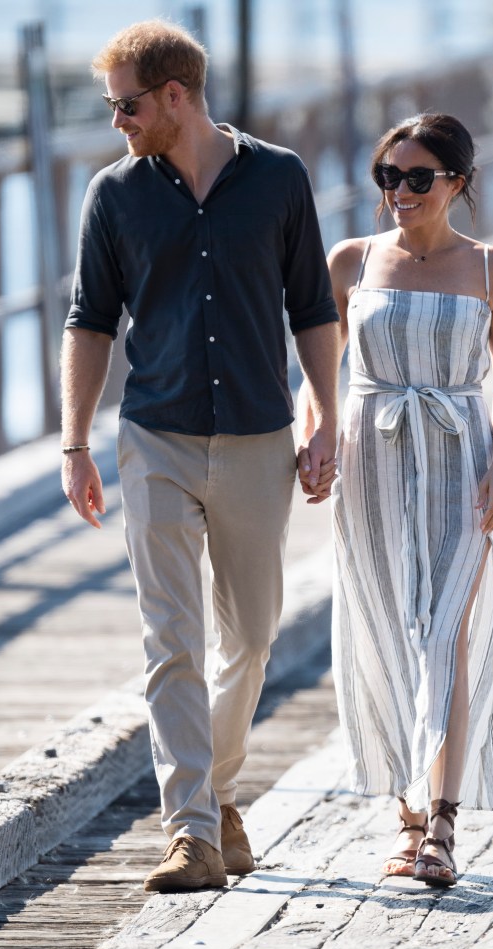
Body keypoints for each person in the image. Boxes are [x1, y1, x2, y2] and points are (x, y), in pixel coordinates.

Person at [60, 19, 339, 894]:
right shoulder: (114, 195)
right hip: (155, 436)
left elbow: (312, 308)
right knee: (170, 640)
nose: (118, 123)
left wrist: (326, 415)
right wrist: (75, 442)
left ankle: (217, 797)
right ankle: (188, 831)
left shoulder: (280, 179)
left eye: (128, 106)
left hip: (260, 437)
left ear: (175, 95)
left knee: (250, 640)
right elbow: (89, 322)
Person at [298, 113, 493, 887]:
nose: (401, 192)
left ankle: (442, 824)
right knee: (385, 633)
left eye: (419, 178)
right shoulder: (348, 262)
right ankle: (406, 817)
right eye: (389, 176)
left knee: (447, 631)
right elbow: (319, 380)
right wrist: (313, 441)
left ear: (456, 181)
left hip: (460, 459)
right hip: (370, 464)